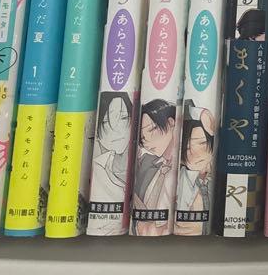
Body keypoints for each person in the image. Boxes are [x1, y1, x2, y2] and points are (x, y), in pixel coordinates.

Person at [132, 100, 176, 233]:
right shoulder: (145, 163)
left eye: (151, 129)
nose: (146, 140)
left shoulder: (190, 164)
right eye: (142, 136)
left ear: (171, 123)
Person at [90, 91, 133, 222]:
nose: (116, 129)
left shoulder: (148, 162)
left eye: (124, 118)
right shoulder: (96, 170)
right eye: (105, 121)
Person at [174, 103, 215, 233]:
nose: (196, 154)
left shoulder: (216, 177)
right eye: (187, 148)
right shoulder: (178, 180)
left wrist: (202, 113)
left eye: (202, 143)